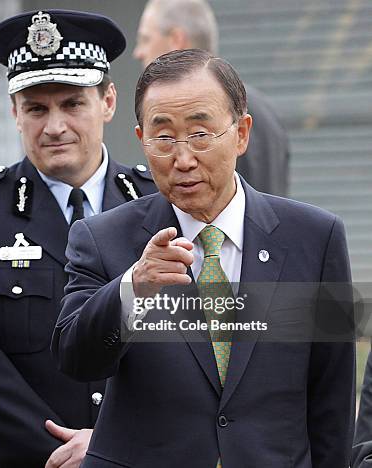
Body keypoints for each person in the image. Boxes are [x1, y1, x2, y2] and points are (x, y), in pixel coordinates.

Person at [51, 49, 354, 467]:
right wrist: (131, 289)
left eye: (200, 134)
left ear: (241, 133)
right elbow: (76, 358)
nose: (183, 158)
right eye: (163, 138)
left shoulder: (314, 239)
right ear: (141, 140)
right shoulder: (102, 239)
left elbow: (331, 400)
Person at [0, 9, 157, 468]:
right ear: (14, 112)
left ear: (108, 102)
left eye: (72, 103)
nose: (54, 126)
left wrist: (113, 445)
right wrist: (59, 452)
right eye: (36, 108)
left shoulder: (158, 207)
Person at [133, 0, 290, 197]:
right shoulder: (264, 109)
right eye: (165, 137)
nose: (138, 52)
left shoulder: (238, 110)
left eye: (146, 39)